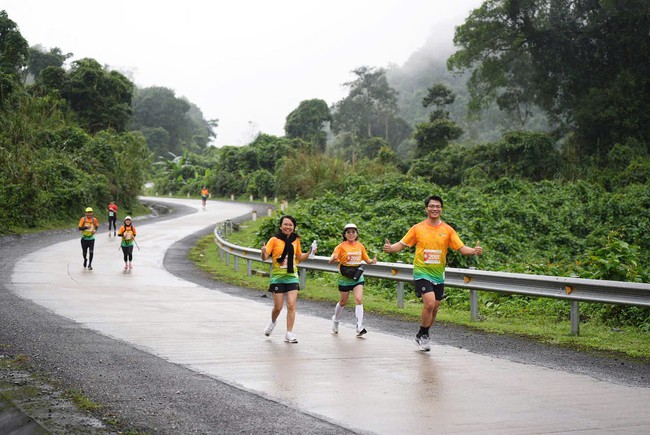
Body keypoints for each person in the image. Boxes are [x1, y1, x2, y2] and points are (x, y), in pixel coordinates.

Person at [383, 195, 483, 352]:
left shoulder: (448, 230)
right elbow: (401, 244)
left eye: (437, 206)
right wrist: (390, 249)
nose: (434, 209)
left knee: (435, 308)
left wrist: (474, 251)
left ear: (441, 209)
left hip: (438, 274)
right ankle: (423, 335)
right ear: (426, 209)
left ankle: (423, 333)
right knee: (429, 303)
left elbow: (462, 249)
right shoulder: (417, 228)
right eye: (431, 206)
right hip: (422, 271)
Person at [260, 215, 314, 343]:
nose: (288, 227)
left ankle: (289, 333)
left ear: (294, 227)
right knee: (278, 307)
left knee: (291, 305)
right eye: (285, 224)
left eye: (290, 225)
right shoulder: (274, 240)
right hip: (278, 277)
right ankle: (273, 322)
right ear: (280, 226)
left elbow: (299, 257)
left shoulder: (296, 241)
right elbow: (265, 257)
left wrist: (309, 253)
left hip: (292, 277)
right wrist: (263, 251)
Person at [328, 223, 377, 337]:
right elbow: (331, 259)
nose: (351, 234)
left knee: (359, 299)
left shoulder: (360, 246)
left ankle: (359, 326)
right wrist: (333, 258)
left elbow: (366, 259)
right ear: (344, 234)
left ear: (356, 234)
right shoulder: (340, 246)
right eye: (348, 232)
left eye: (353, 232)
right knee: (343, 302)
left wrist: (372, 261)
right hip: (344, 277)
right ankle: (336, 320)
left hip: (357, 276)